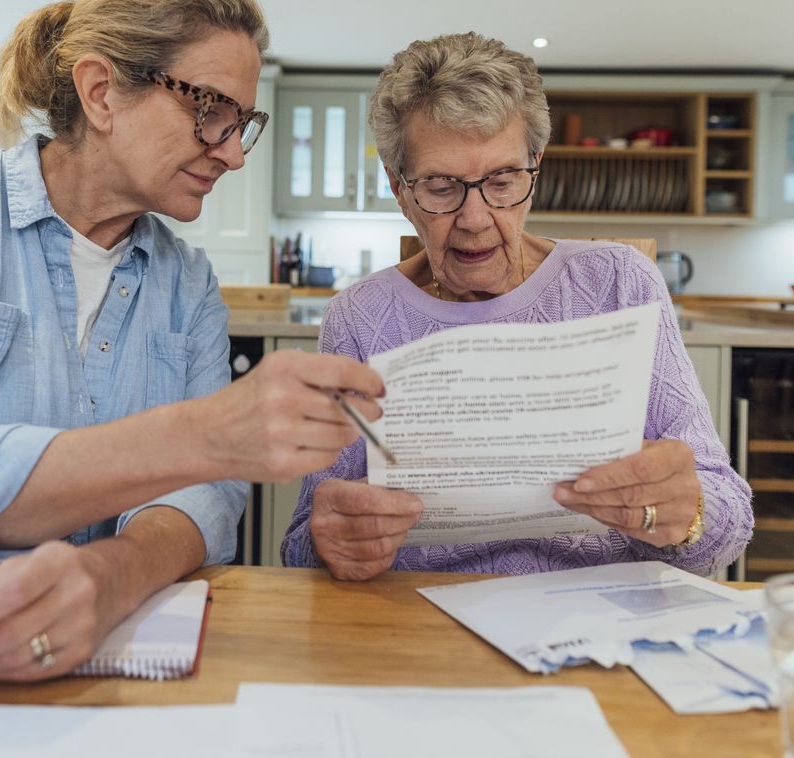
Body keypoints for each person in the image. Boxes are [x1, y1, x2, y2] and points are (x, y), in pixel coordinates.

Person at [0, 0, 384, 681]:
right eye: (210, 111)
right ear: (102, 93)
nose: (232, 153)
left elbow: (203, 500)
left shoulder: (186, 283)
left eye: (241, 122)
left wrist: (113, 575)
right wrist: (212, 432)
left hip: (71, 658)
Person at [281, 32, 753, 581]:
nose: (476, 218)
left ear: (536, 168)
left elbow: (727, 529)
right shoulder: (359, 319)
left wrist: (686, 513)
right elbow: (301, 551)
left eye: (502, 182)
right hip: (419, 619)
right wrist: (332, 542)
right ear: (399, 187)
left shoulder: (621, 286)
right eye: (440, 186)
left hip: (596, 617)